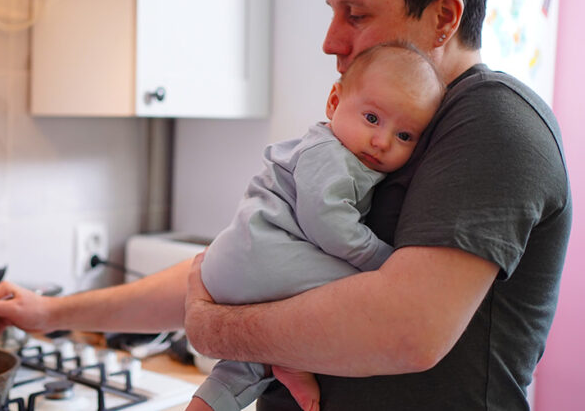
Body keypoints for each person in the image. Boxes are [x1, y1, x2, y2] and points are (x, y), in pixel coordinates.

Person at [0, 0, 572, 411]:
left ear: (444, 17)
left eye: (354, 13)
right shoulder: (382, 127)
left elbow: (407, 330)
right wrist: (52, 312)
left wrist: (211, 327)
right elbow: (249, 256)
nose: (332, 40)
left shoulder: (493, 120)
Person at [189, 42, 443, 411]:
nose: (382, 141)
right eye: (372, 118)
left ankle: (222, 393)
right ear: (334, 103)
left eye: (404, 136)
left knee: (243, 363)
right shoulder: (329, 153)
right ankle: (291, 358)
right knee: (363, 294)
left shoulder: (341, 154)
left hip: (246, 263)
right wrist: (385, 261)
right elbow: (328, 224)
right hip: (263, 252)